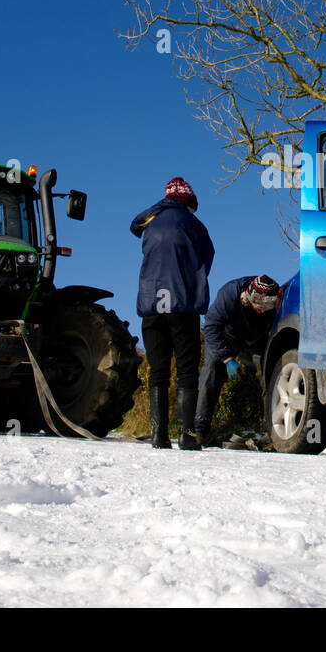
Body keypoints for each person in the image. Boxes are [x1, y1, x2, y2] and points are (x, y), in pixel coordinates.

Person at [130, 177, 214, 450]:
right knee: (187, 369)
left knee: (158, 370)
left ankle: (158, 435)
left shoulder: (151, 222)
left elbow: (133, 224)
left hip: (151, 305)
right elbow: (208, 257)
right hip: (181, 305)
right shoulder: (194, 225)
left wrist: (162, 207)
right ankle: (186, 435)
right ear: (188, 203)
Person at [192, 274, 282, 446]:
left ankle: (274, 431)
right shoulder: (230, 294)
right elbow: (211, 327)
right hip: (225, 336)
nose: (262, 311)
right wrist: (227, 358)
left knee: (270, 376)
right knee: (211, 373)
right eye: (259, 306)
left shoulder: (276, 299)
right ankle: (200, 429)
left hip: (255, 340)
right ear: (249, 296)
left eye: (267, 307)